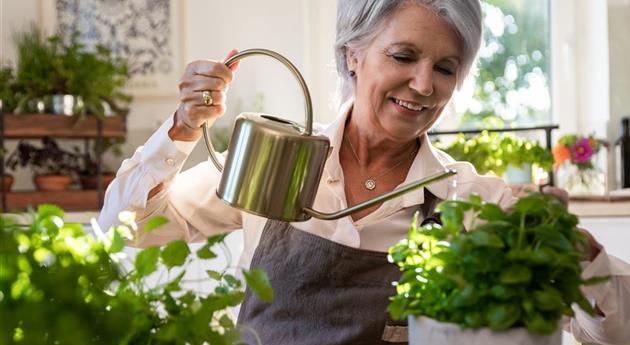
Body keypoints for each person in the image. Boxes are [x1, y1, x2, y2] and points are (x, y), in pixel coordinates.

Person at [99, 0, 630, 344]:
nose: (424, 85)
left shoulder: (471, 200)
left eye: (445, 68)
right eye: (404, 56)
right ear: (353, 54)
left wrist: (578, 255)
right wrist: (183, 129)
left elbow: (607, 331)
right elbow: (128, 227)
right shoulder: (277, 162)